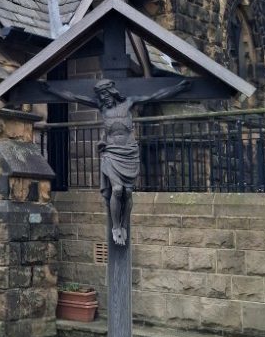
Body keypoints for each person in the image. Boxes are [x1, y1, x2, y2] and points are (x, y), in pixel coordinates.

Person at [58, 78, 190, 246]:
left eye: (105, 94)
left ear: (112, 92)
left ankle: (124, 224)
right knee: (117, 190)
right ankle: (116, 227)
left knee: (127, 192)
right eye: (100, 95)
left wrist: (178, 88)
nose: (103, 98)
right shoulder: (102, 107)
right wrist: (51, 90)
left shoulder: (129, 103)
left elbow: (155, 96)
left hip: (129, 152)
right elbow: (74, 97)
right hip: (111, 152)